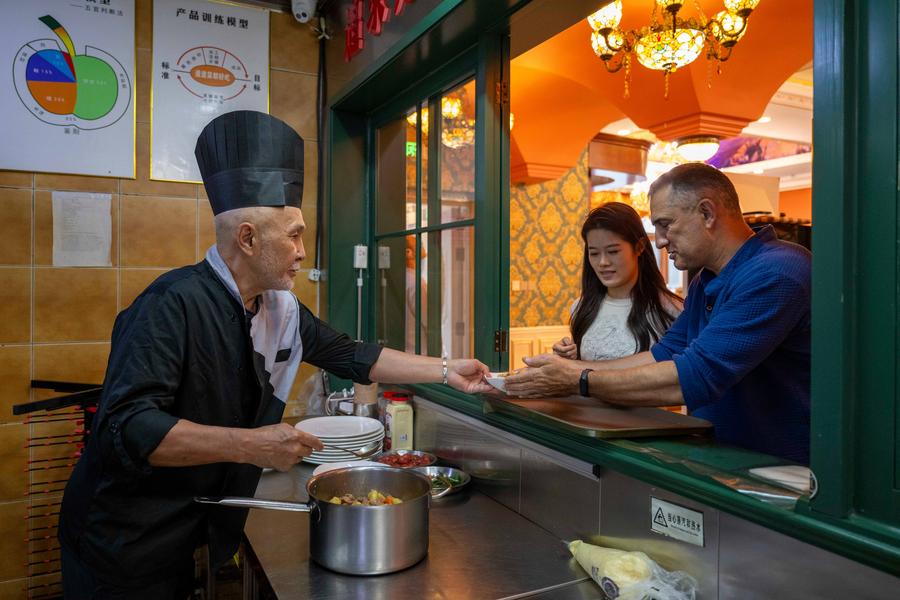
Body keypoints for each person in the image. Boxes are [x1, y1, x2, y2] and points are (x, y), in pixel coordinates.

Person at [58, 110, 493, 599]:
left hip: (187, 528)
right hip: (121, 540)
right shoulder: (169, 305)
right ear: (247, 238)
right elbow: (130, 429)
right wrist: (251, 445)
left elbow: (354, 355)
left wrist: (446, 370)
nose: (303, 251)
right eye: (294, 235)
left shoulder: (277, 308)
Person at [506, 163, 811, 465]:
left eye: (666, 224)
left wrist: (578, 379)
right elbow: (663, 354)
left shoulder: (776, 272)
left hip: (781, 468)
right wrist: (566, 371)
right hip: (724, 457)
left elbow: (697, 375)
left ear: (707, 213)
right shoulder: (705, 281)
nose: (661, 240)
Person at [552, 202, 682, 362]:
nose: (603, 262)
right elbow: (581, 370)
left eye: (613, 251)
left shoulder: (670, 310)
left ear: (639, 247)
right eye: (594, 253)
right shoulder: (581, 307)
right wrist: (568, 357)